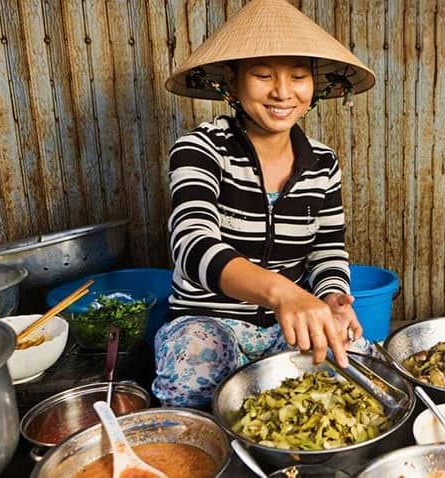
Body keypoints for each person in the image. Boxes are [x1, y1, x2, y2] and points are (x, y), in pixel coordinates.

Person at [156, 0, 376, 407]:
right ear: (232, 81)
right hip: (208, 321)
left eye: (297, 76)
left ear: (314, 83)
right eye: (262, 75)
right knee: (198, 373)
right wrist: (282, 293)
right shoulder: (200, 149)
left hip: (286, 325)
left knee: (355, 366)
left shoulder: (323, 162)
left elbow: (328, 249)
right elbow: (191, 244)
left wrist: (331, 299)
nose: (282, 92)